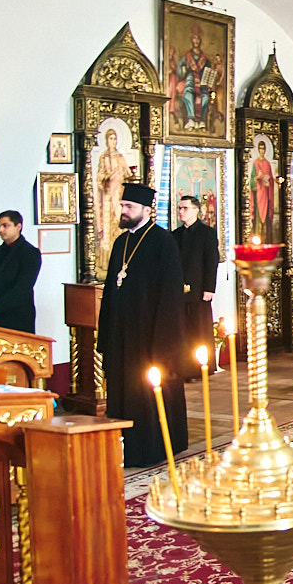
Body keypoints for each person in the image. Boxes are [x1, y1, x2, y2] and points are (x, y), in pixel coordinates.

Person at [98, 183, 188, 467]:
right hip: (122, 335)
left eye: (129, 207)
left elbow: (170, 295)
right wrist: (106, 334)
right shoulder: (120, 243)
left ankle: (153, 447)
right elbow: (111, 290)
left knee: (149, 392)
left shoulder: (162, 242)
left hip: (151, 335)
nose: (123, 211)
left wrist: (164, 342)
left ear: (146, 210)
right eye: (122, 206)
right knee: (124, 389)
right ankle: (124, 446)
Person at [172, 196, 218, 379]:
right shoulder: (175, 235)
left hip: (200, 290)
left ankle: (201, 367)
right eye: (180, 208)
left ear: (196, 210)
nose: (181, 211)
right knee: (182, 330)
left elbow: (211, 261)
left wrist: (209, 288)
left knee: (199, 330)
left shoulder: (206, 233)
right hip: (178, 291)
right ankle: (183, 367)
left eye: (185, 208)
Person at [0, 210, 42, 333]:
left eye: (5, 226)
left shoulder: (30, 253)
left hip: (17, 317)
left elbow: (22, 287)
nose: (1, 230)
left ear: (18, 226)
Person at [95, 128, 128, 273]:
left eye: (114, 138)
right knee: (107, 226)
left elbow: (128, 173)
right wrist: (108, 176)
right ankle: (106, 260)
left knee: (119, 224)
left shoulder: (120, 157)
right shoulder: (103, 157)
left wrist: (120, 174)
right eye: (110, 138)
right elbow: (99, 177)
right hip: (107, 196)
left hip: (118, 195)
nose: (112, 141)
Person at [249, 140, 276, 242]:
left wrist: (269, 183)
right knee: (257, 218)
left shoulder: (267, 163)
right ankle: (256, 239)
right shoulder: (255, 163)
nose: (262, 151)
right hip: (258, 195)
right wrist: (257, 177)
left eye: (263, 149)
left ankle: (267, 240)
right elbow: (252, 180)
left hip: (266, 194)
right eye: (260, 149)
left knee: (267, 219)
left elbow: (271, 180)